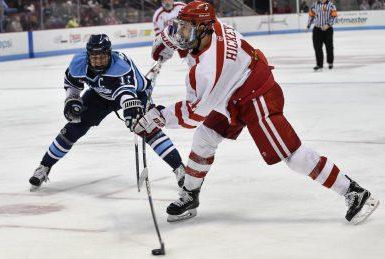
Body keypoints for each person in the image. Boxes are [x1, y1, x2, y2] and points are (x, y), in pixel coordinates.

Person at [135, 0, 379, 224]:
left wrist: (156, 116)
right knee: (204, 138)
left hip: (255, 97)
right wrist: (167, 42)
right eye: (181, 27)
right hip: (232, 92)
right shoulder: (214, 25)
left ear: (203, 29)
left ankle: (355, 192)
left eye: (187, 29)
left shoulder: (209, 70)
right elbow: (182, 37)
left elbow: (192, 114)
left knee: (293, 156)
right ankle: (190, 194)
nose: (181, 33)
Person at [29, 34, 185, 191]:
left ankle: (180, 169)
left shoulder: (121, 67)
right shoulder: (79, 62)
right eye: (94, 57)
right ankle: (44, 167)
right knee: (73, 128)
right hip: (100, 94)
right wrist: (72, 100)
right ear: (87, 54)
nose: (97, 61)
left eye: (102, 56)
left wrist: (131, 110)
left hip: (134, 94)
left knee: (146, 127)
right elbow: (72, 83)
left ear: (109, 54)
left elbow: (126, 94)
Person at [305, 0, 337, 71]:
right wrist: (308, 26)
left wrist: (328, 25)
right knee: (317, 47)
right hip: (317, 29)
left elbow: (334, 17)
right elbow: (311, 16)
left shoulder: (331, 5)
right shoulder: (314, 5)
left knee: (329, 47)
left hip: (327, 30)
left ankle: (330, 62)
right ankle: (319, 65)